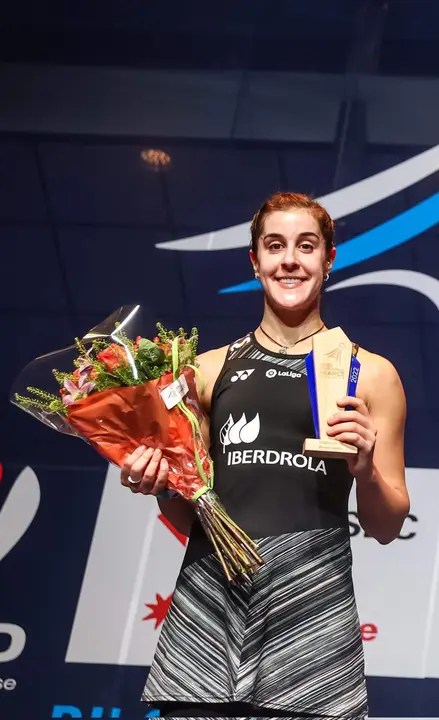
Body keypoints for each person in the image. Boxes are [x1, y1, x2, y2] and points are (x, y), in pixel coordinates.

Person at [120, 192, 410, 719]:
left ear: (329, 259)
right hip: (209, 609)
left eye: (306, 246)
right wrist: (163, 482)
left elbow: (387, 525)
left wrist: (366, 472)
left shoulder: (371, 374)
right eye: (274, 246)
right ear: (255, 261)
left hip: (313, 620)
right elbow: (189, 514)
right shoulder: (204, 371)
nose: (290, 260)